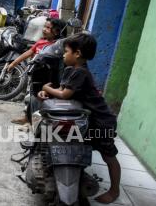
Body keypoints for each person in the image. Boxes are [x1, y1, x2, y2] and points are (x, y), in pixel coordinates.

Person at [39, 33, 121, 204]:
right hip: (88, 118)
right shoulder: (71, 70)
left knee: (109, 156)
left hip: (102, 122)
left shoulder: (81, 72)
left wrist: (46, 87)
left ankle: (114, 191)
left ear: (77, 54)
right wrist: (46, 92)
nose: (63, 54)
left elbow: (64, 94)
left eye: (66, 51)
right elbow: (62, 89)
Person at [9, 18, 65, 126]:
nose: (44, 29)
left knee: (40, 100)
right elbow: (29, 53)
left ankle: (35, 123)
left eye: (48, 28)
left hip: (47, 79)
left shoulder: (58, 46)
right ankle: (26, 118)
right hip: (35, 76)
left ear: (57, 31)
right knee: (29, 97)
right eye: (44, 26)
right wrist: (13, 63)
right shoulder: (40, 42)